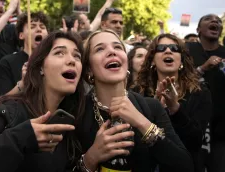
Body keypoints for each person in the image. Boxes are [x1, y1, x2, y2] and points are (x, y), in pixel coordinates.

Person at [0, 31, 86, 172]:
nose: (71, 60)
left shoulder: (70, 124)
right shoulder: (10, 113)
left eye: (77, 56)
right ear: (40, 67)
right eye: (59, 53)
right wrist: (19, 139)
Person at [75, 30, 193, 172]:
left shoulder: (151, 107)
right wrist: (91, 157)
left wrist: (142, 122)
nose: (112, 52)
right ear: (89, 68)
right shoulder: (77, 111)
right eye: (100, 49)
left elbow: (185, 166)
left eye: (118, 47)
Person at [137, 34, 212, 172]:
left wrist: (175, 109)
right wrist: (155, 106)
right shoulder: (138, 93)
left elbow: (195, 141)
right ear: (152, 60)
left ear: (181, 59)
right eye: (161, 48)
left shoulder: (199, 93)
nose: (168, 51)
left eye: (174, 48)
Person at [187, 14, 225, 172]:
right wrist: (203, 68)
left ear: (220, 31)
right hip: (193, 125)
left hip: (224, 128)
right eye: (209, 19)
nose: (215, 21)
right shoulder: (188, 51)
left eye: (219, 21)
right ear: (198, 30)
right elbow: (179, 80)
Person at [0, 11, 49, 99]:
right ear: (21, 35)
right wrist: (22, 84)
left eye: (42, 27)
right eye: (32, 27)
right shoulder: (7, 63)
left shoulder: (54, 61)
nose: (39, 29)